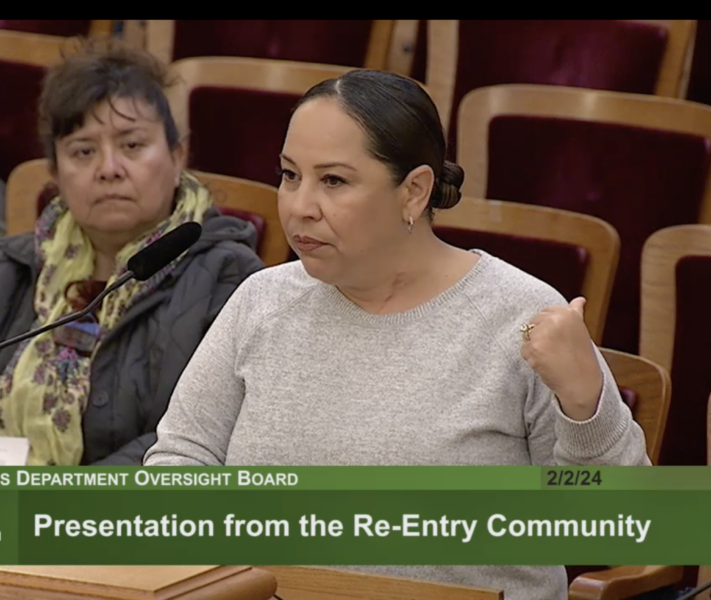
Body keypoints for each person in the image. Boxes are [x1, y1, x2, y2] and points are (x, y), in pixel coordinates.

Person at [143, 70, 649, 599]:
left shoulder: (520, 315)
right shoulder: (262, 301)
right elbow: (181, 458)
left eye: (333, 181)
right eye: (290, 175)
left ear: (414, 191)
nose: (299, 206)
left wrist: (584, 404)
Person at [0, 40, 264, 466]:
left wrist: (65, 500)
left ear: (177, 157)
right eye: (83, 151)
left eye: (132, 146)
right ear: (55, 173)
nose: (109, 168)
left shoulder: (229, 280)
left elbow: (202, 437)